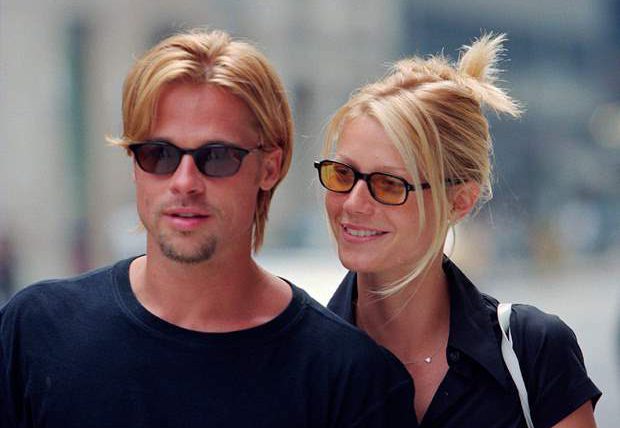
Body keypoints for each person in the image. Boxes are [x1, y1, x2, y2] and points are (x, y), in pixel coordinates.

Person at [0, 29, 417, 427]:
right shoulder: (34, 332)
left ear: (269, 167)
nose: (185, 182)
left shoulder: (350, 381)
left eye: (216, 156)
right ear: (134, 164)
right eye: (159, 154)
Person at [316, 33, 601, 427]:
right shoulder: (295, 358)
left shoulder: (531, 352)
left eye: (389, 184)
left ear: (460, 201)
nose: (352, 203)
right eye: (343, 174)